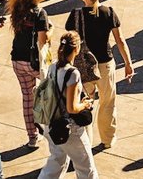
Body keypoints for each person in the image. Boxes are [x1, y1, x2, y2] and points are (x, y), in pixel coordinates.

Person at [64, 0, 134, 150]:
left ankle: (85, 141)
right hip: (105, 65)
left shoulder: (76, 15)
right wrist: (128, 63)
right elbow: (120, 41)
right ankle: (108, 139)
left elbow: (71, 41)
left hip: (83, 68)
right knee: (108, 103)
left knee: (84, 104)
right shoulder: (109, 12)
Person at [37, 32, 98, 179]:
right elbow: (72, 108)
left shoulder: (52, 67)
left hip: (52, 124)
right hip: (70, 129)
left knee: (57, 161)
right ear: (76, 49)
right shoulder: (72, 73)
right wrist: (85, 104)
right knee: (86, 168)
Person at [6, 0, 51, 146]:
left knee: (27, 97)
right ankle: (50, 130)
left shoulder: (18, 8)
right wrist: (51, 29)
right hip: (35, 63)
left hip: (17, 60)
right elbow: (43, 40)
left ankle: (32, 137)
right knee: (50, 94)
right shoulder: (40, 14)